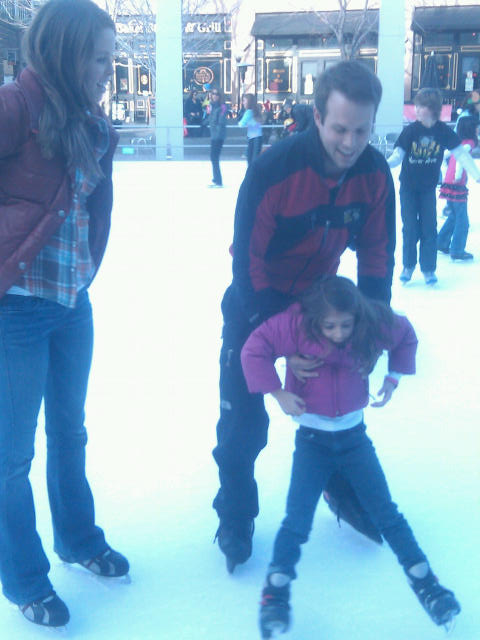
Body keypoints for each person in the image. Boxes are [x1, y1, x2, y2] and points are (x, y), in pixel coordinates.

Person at [212, 60, 397, 574]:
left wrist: (368, 331)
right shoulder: (274, 169)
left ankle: (337, 485)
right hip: (256, 303)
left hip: (322, 306)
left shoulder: (374, 175)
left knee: (334, 409)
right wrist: (285, 339)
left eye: (362, 130)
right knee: (243, 424)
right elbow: (247, 262)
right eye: (339, 128)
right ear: (317, 117)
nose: (350, 142)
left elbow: (378, 256)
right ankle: (235, 514)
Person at [0, 0, 129, 628]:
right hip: (17, 313)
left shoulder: (90, 121)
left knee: (70, 433)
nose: (108, 70)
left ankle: (78, 540)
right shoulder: (14, 108)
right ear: (65, 53)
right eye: (99, 58)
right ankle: (25, 579)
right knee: (10, 458)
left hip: (73, 303)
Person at [240, 276, 461, 638]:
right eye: (329, 326)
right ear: (315, 318)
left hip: (354, 439)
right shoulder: (295, 325)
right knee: (297, 519)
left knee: (387, 515)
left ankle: (426, 583)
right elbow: (254, 348)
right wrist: (277, 392)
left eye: (345, 324)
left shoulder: (370, 321)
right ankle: (275, 592)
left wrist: (393, 378)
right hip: (311, 443)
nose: (339, 333)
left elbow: (405, 334)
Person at [387, 87, 480, 285]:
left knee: (429, 227)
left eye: (422, 106)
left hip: (428, 189)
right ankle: (408, 266)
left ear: (433, 109)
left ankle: (428, 269)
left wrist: (476, 175)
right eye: (417, 106)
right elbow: (397, 156)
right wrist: (382, 165)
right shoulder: (411, 131)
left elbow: (461, 154)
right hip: (408, 188)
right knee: (410, 228)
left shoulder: (442, 131)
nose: (417, 109)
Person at [437, 116, 479, 260]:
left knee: (454, 215)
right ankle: (457, 250)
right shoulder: (469, 143)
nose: (478, 129)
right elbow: (462, 159)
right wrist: (458, 175)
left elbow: (445, 155)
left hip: (449, 180)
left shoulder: (457, 142)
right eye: (477, 127)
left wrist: (446, 170)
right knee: (462, 220)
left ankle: (441, 242)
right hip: (457, 182)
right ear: (470, 129)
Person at [207, 87, 227, 188]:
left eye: (216, 94)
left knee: (214, 157)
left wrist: (217, 133)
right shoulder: (212, 106)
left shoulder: (222, 107)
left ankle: (218, 180)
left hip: (218, 136)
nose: (214, 96)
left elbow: (221, 122)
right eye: (213, 93)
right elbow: (211, 119)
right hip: (214, 135)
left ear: (220, 96)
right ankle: (216, 178)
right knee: (213, 157)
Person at [238, 93, 263, 166]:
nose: (243, 103)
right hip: (258, 137)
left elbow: (241, 124)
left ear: (248, 102)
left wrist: (241, 121)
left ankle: (252, 172)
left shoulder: (248, 112)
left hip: (253, 138)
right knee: (255, 160)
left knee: (250, 161)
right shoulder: (256, 111)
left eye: (244, 100)